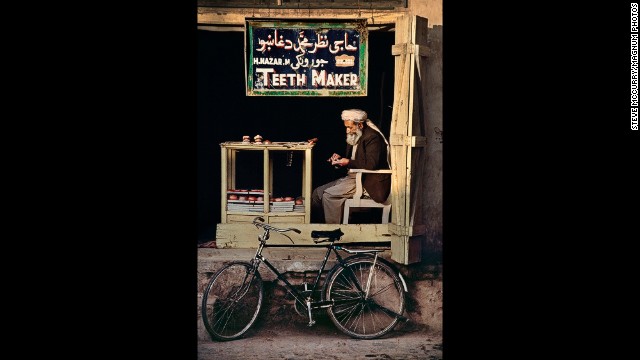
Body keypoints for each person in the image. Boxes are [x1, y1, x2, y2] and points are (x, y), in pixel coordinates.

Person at [311, 109, 391, 223]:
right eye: (346, 127)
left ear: (360, 125)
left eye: (350, 127)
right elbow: (354, 158)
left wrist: (347, 162)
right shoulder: (355, 134)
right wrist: (339, 159)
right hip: (352, 176)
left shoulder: (373, 137)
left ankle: (335, 234)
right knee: (317, 194)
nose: (348, 130)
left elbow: (371, 163)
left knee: (329, 196)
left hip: (364, 179)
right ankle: (322, 227)